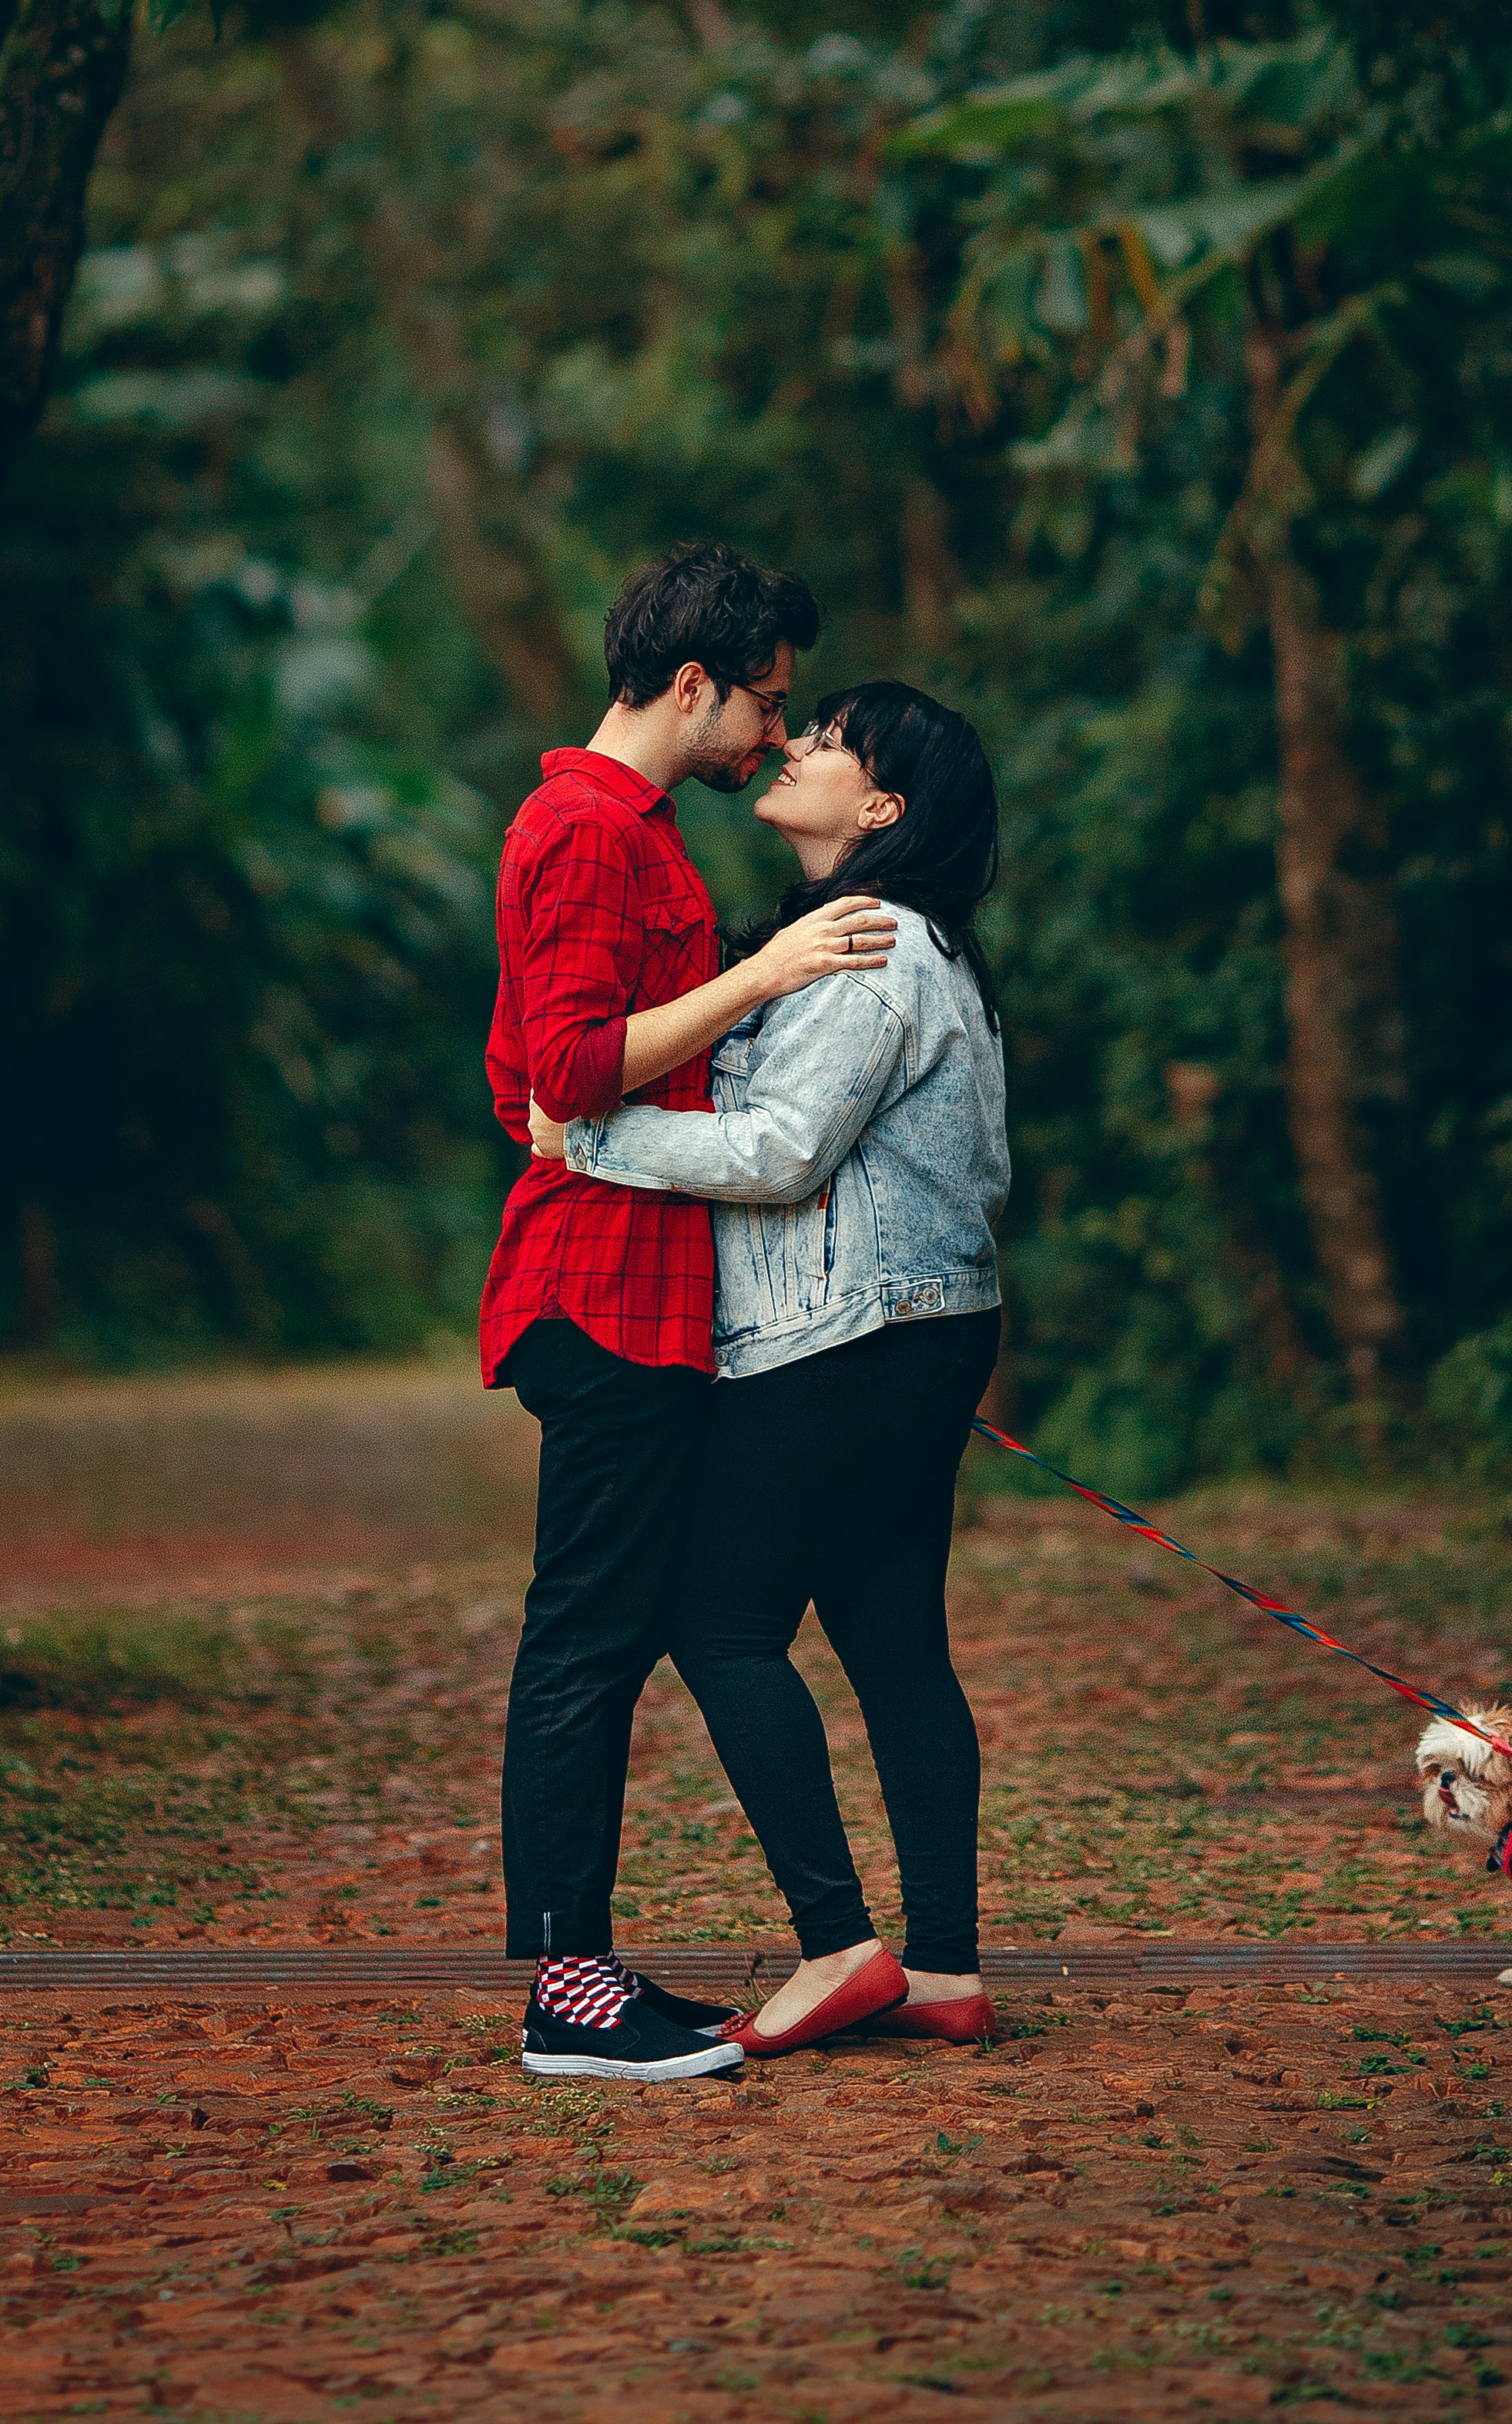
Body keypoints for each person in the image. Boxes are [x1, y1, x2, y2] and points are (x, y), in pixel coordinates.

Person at [531, 679, 1007, 2057]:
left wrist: (585, 1141)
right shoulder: (902, 945)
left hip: (841, 1342)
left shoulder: (869, 944)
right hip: (910, 1332)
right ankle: (945, 1971)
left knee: (715, 1621)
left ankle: (840, 1947)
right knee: (890, 1638)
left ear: (880, 809)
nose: (789, 745)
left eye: (825, 737)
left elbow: (776, 1152)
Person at [482, 542, 904, 2083]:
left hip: (636, 1291)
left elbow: (516, 1069)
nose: (771, 736)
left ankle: (583, 1969)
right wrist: (770, 967)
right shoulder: (591, 832)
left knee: (612, 1624)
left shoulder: (614, 826)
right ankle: (564, 1989)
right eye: (765, 704)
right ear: (690, 684)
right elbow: (572, 1071)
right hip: (600, 1290)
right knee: (586, 1635)